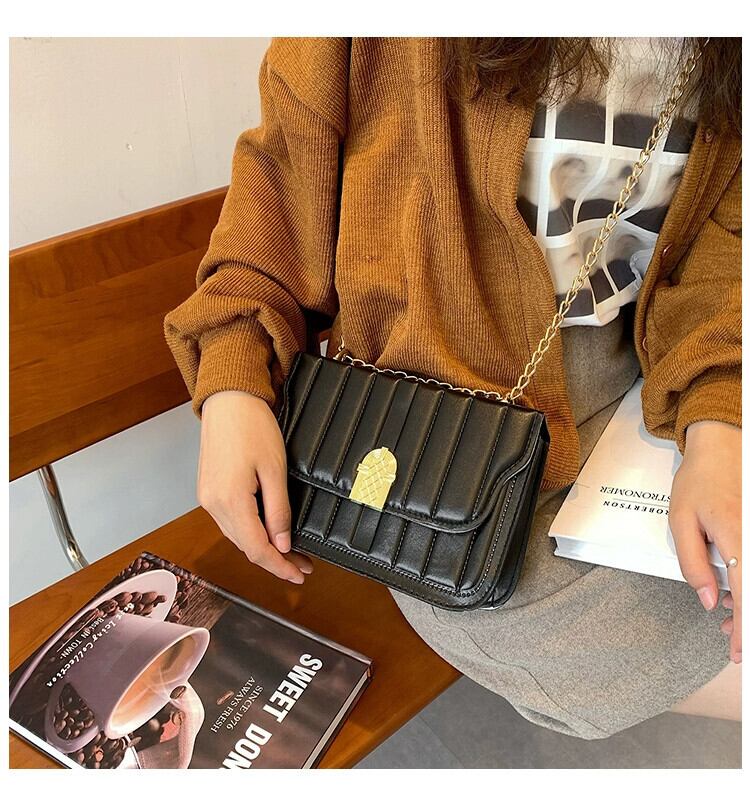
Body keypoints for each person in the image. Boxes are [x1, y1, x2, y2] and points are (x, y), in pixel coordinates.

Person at [163, 37, 741, 740]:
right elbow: (277, 195)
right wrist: (234, 384)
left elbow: (724, 248)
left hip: (652, 372)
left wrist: (722, 418)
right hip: (434, 423)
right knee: (577, 626)